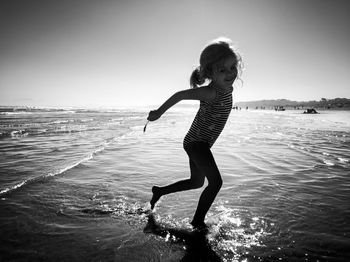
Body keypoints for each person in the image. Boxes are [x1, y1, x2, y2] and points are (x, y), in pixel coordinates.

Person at [147, 37, 242, 229]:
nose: (230, 73)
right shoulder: (211, 92)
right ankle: (197, 221)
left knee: (197, 182)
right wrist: (158, 113)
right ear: (210, 72)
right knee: (215, 183)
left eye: (233, 67)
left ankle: (160, 191)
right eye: (222, 70)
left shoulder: (225, 88)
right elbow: (180, 95)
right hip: (196, 143)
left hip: (200, 142)